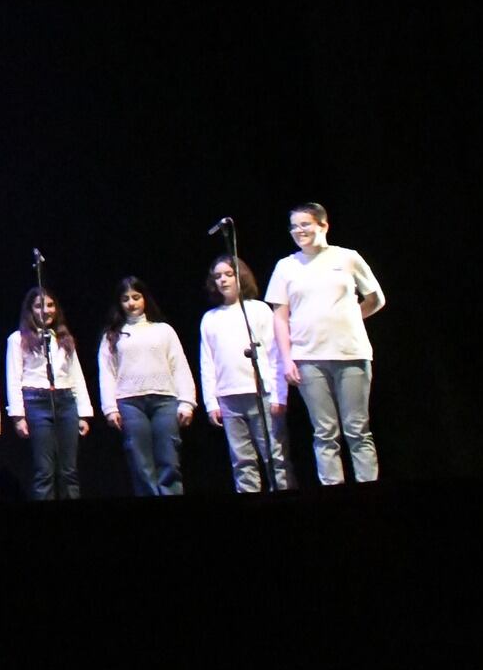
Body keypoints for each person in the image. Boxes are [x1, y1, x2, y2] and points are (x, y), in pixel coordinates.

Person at [265, 202, 385, 485]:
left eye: (305, 224)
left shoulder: (347, 257)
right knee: (324, 431)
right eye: (294, 226)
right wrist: (287, 359)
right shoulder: (286, 266)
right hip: (309, 358)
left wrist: (351, 317)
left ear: (323, 225)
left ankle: (369, 489)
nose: (299, 231)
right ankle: (332, 488)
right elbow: (280, 317)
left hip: (351, 353)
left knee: (357, 429)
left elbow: (375, 298)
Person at [201, 255, 295, 493]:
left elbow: (275, 354)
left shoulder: (258, 310)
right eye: (217, 276)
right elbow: (207, 362)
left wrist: (280, 395)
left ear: (240, 276)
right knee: (242, 461)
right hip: (229, 397)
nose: (222, 280)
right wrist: (211, 402)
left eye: (228, 274)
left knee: (275, 456)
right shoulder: (210, 318)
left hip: (261, 394)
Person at [98, 276, 196, 497]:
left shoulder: (163, 330)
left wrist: (187, 402)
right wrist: (110, 408)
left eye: (136, 297)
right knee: (140, 461)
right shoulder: (112, 335)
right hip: (130, 403)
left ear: (144, 298)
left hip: (165, 400)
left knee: (169, 458)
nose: (131, 303)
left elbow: (179, 366)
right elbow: (107, 373)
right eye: (125, 299)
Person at [5, 287, 93, 501]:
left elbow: (76, 375)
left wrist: (83, 413)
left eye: (50, 305)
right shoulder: (18, 338)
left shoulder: (63, 337)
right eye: (39, 306)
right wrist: (18, 416)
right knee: (44, 471)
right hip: (36, 402)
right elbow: (13, 378)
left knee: (69, 470)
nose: (46, 310)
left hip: (66, 401)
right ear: (30, 310)